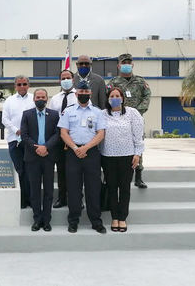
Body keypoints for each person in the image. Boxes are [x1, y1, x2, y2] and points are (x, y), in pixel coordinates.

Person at [58, 80, 107, 234]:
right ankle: (73, 220)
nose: (84, 94)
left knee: (93, 188)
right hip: (73, 153)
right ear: (76, 93)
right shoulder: (69, 111)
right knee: (73, 189)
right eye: (81, 92)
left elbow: (101, 133)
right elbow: (63, 132)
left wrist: (85, 148)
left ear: (90, 93)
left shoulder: (98, 112)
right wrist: (75, 148)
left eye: (86, 92)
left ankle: (96, 221)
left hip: (91, 152)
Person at [101, 87, 144, 232]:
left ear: (122, 98)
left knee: (125, 189)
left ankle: (122, 218)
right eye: (112, 96)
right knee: (112, 188)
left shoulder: (132, 113)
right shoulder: (102, 114)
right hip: (108, 157)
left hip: (127, 157)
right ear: (108, 99)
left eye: (117, 95)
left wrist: (137, 154)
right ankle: (114, 217)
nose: (115, 98)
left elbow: (138, 136)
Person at [108, 53, 151, 188]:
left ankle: (138, 175)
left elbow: (147, 95)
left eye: (128, 63)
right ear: (118, 65)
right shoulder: (114, 82)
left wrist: (139, 111)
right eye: (123, 63)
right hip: (119, 119)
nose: (126, 65)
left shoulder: (140, 81)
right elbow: (108, 96)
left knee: (138, 143)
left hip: (136, 118)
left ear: (132, 65)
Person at [20, 88, 60, 232]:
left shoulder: (54, 115)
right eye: (38, 97)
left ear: (47, 98)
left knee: (49, 190)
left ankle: (47, 220)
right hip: (32, 157)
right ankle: (37, 220)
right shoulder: (27, 115)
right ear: (34, 99)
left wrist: (46, 147)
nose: (40, 99)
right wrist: (36, 147)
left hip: (48, 157)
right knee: (35, 190)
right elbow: (24, 135)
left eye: (43, 97)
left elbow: (58, 134)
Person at [1, 75, 35, 208]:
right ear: (15, 86)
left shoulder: (34, 98)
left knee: (30, 170)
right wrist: (17, 130)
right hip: (14, 140)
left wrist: (26, 132)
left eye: (24, 84)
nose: (22, 87)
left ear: (28, 85)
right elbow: (5, 119)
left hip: (30, 140)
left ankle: (31, 200)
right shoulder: (9, 101)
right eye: (19, 84)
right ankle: (22, 199)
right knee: (20, 170)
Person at [47, 69, 78, 209]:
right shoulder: (55, 98)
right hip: (59, 138)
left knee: (75, 170)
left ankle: (77, 198)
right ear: (60, 81)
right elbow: (51, 118)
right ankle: (62, 198)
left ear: (73, 79)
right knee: (61, 170)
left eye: (68, 77)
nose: (66, 80)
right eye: (63, 78)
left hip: (75, 138)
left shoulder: (78, 95)